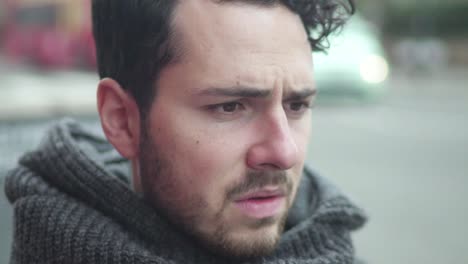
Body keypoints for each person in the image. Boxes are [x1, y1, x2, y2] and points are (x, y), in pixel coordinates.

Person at [5, 0, 366, 263]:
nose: (284, 152)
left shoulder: (332, 243)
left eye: (297, 106)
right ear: (122, 120)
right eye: (229, 106)